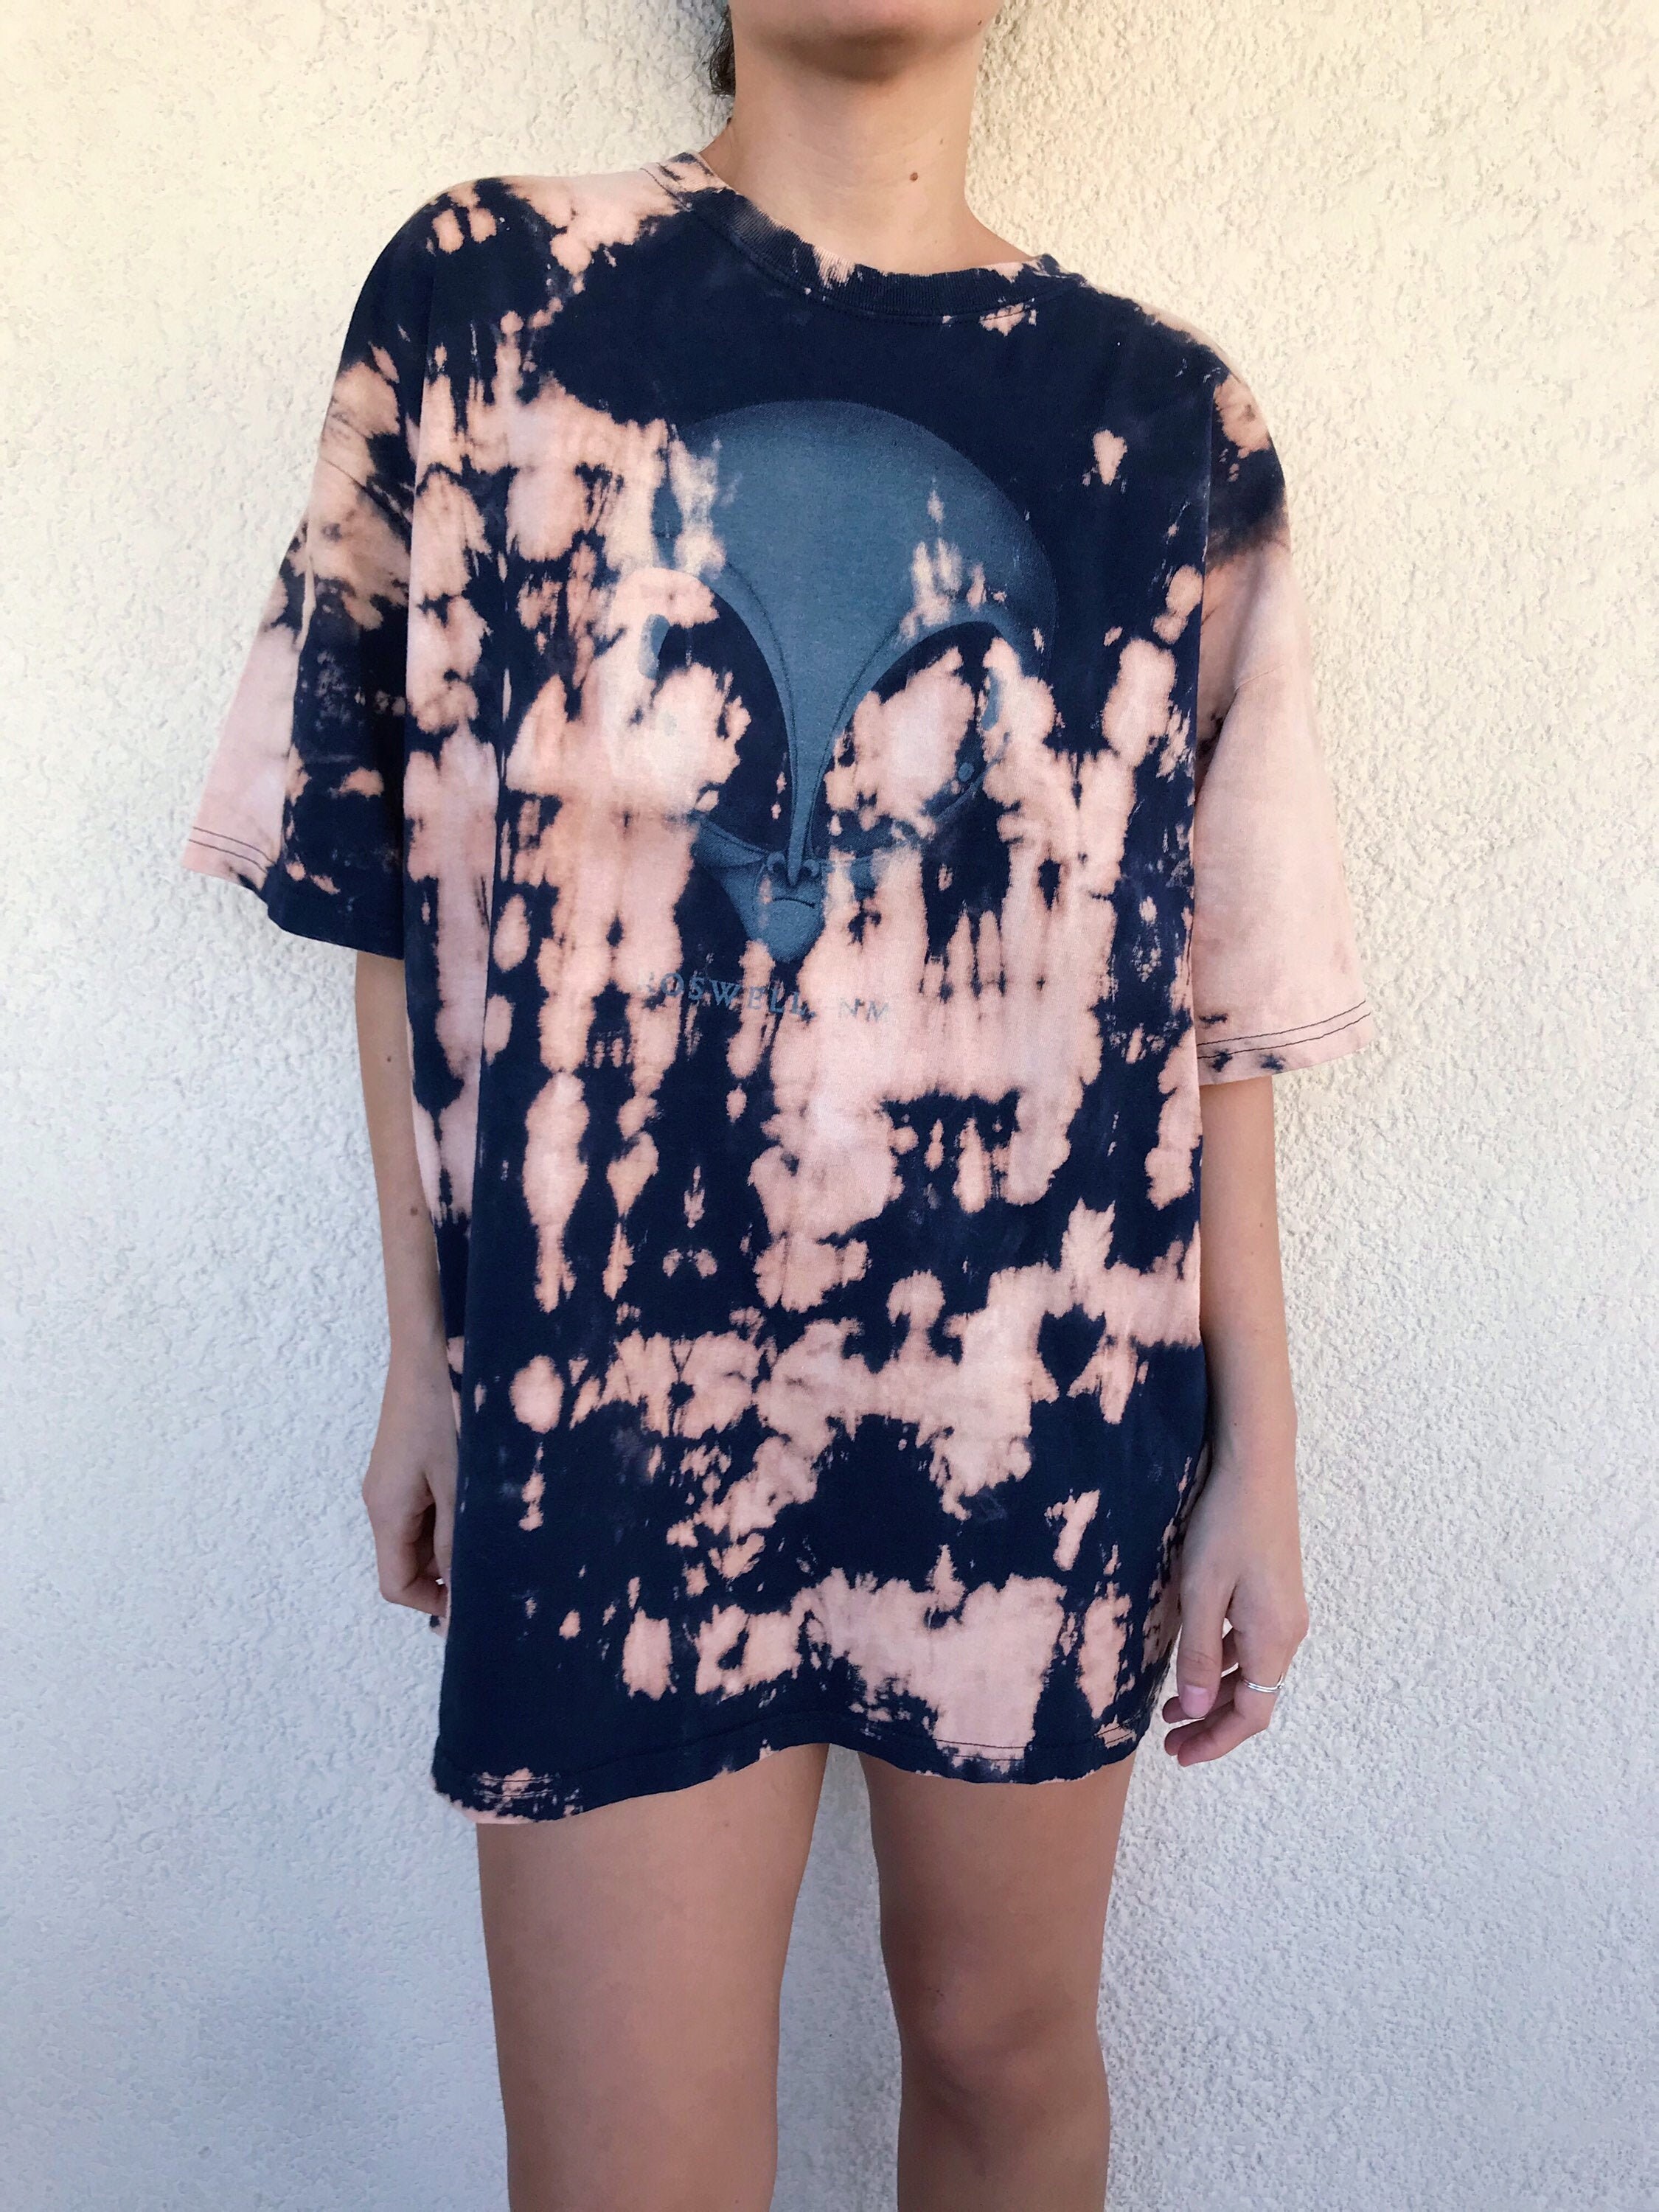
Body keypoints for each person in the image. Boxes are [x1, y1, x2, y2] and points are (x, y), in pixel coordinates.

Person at [180, 2, 1376, 2204]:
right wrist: (427, 1353)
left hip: (1037, 1411)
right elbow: (400, 871)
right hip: (605, 1399)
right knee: (624, 2163)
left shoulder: (1164, 422)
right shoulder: (485, 303)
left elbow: (1210, 1003)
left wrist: (1258, 1457)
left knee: (1006, 2060)